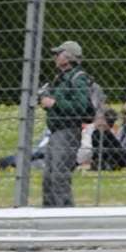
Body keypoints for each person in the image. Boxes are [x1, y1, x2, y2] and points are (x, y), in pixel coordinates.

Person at [38, 40, 96, 207]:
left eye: (58, 53)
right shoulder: (61, 78)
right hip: (56, 132)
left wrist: (54, 103)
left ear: (69, 56)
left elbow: (79, 107)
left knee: (59, 175)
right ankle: (49, 212)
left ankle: (64, 213)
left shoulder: (79, 78)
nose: (55, 57)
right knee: (49, 176)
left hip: (68, 131)